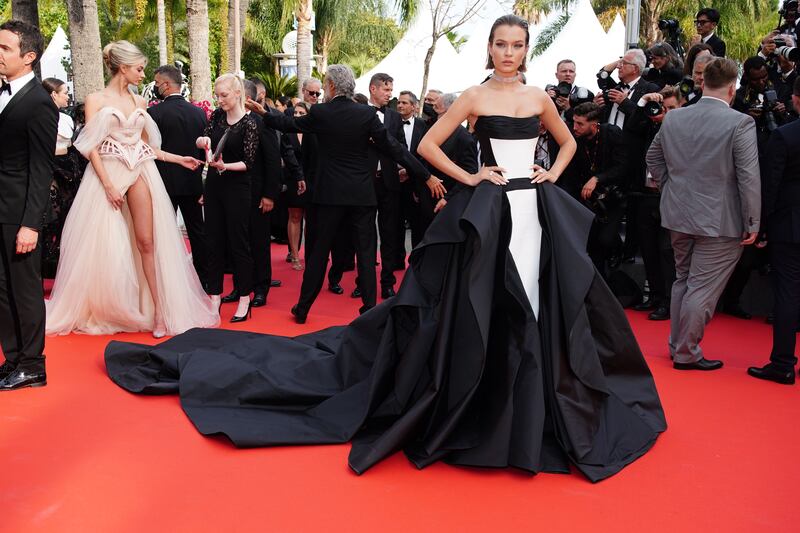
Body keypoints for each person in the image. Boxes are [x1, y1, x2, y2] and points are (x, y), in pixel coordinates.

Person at [106, 16, 665, 483]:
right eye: (501, 44)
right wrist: (471, 179)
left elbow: (566, 141)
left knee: (537, 297)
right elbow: (425, 145)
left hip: (531, 210)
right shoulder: (473, 95)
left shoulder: (540, 96)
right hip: (491, 208)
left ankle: (532, 400)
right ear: (490, 48)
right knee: (482, 299)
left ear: (526, 50)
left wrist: (550, 173)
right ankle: (484, 397)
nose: (510, 53)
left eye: (518, 45)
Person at [45, 40, 219, 338]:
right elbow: (91, 148)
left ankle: (160, 312)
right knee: (105, 245)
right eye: (139, 68)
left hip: (140, 171)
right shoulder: (96, 99)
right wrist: (109, 185)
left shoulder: (140, 103)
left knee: (148, 242)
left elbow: (145, 146)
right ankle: (108, 305)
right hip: (106, 175)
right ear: (123, 67)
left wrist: (178, 159)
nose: (144, 74)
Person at [253, 65, 433, 322]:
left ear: (332, 86)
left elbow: (290, 123)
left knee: (318, 254)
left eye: (325, 84)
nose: (324, 89)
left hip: (329, 196)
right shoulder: (366, 114)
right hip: (362, 194)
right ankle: (369, 309)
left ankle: (303, 309)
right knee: (367, 253)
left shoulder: (322, 112)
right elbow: (395, 149)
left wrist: (266, 114)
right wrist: (425, 174)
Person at [646, 57, 761, 371]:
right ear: (731, 88)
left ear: (702, 83)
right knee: (701, 287)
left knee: (683, 279)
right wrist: (753, 221)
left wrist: (670, 185)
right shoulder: (740, 122)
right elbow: (748, 176)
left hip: (677, 213)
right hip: (720, 220)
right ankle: (686, 352)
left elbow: (653, 157)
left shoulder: (674, 118)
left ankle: (676, 345)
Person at [0, 20, 58, 391]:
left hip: (20, 213)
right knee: (2, 291)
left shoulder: (38, 103)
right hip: (1, 209)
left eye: (5, 49)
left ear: (29, 56)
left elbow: (41, 168)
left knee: (24, 290)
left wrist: (31, 224)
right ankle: (14, 358)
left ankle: (34, 364)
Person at [748, 78, 800, 385]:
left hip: (789, 227)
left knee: (788, 294)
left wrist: (762, 227)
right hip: (787, 225)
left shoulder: (785, 136)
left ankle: (782, 364)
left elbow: (770, 186)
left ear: (795, 98)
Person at [198, 74, 261, 322]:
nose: (219, 99)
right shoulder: (215, 117)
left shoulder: (251, 123)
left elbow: (249, 162)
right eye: (217, 94)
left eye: (223, 95)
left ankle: (245, 296)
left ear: (238, 94)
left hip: (238, 187)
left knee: (239, 243)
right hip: (214, 185)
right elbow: (203, 139)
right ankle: (214, 296)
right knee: (212, 241)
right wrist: (202, 141)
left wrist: (225, 166)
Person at [147, 64, 209, 288]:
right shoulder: (199, 112)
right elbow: (205, 150)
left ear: (165, 84)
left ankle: (167, 279)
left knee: (164, 232)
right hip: (192, 180)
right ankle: (204, 278)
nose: (154, 87)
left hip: (164, 182)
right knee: (197, 230)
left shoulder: (154, 113)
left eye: (156, 82)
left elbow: (151, 149)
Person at [40, 77, 83, 279]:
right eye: (64, 92)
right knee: (51, 216)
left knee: (69, 216)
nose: (68, 96)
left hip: (69, 169)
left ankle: (64, 264)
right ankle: (47, 262)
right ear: (53, 94)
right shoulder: (39, 116)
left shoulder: (66, 118)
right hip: (50, 168)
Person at [283, 101, 312, 270]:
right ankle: (294, 255)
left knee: (311, 219)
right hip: (293, 178)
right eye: (296, 113)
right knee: (294, 216)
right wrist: (298, 175)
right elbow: (287, 155)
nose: (298, 116)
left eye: (302, 113)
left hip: (311, 179)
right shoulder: (288, 132)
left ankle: (310, 254)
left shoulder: (313, 131)